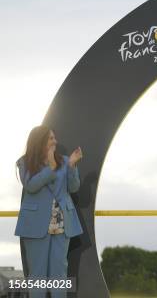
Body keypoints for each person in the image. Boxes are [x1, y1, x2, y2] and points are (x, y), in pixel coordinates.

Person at [14, 125, 83, 298]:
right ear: (41, 140)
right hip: (36, 224)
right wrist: (51, 167)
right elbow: (31, 185)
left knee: (59, 273)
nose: (55, 141)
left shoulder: (65, 161)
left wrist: (73, 166)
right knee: (37, 275)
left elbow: (74, 187)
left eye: (54, 137)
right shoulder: (25, 162)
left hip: (62, 223)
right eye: (51, 138)